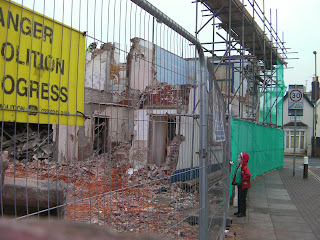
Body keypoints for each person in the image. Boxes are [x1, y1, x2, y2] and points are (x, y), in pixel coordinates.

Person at [231, 152, 251, 217]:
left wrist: (244, 180)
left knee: (242, 199)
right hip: (240, 184)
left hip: (243, 185)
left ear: (243, 159)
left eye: (240, 158)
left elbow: (248, 175)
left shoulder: (244, 167)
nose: (238, 159)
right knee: (239, 198)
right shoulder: (240, 166)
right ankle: (239, 211)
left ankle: (243, 212)